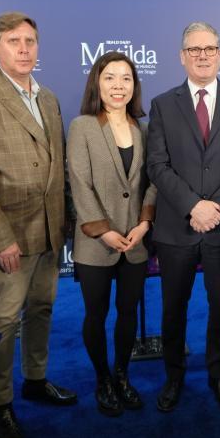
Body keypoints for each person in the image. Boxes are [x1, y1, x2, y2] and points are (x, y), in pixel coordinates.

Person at [0, 12, 75, 438]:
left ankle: (35, 380)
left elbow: (59, 167)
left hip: (48, 230)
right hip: (7, 236)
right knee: (4, 320)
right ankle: (0, 402)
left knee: (41, 308)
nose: (24, 49)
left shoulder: (49, 99)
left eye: (30, 41)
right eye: (13, 41)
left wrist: (65, 222)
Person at [146, 21, 220, 411]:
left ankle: (218, 375)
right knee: (173, 309)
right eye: (194, 50)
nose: (202, 56)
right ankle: (174, 376)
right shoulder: (163, 104)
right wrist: (193, 206)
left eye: (209, 48)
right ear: (182, 56)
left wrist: (216, 207)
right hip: (177, 227)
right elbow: (157, 165)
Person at [67, 51, 156, 416]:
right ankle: (102, 379)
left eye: (126, 78)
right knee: (96, 313)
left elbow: (153, 181)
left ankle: (122, 375)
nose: (118, 86)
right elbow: (79, 183)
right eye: (110, 78)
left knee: (128, 312)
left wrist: (145, 223)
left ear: (134, 85)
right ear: (97, 83)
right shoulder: (82, 126)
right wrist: (102, 230)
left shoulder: (144, 129)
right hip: (96, 243)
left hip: (135, 240)